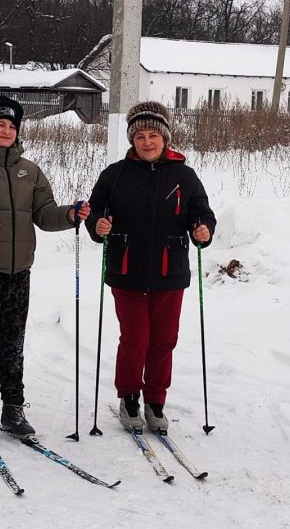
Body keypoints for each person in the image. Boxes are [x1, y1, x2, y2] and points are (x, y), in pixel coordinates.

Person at [0, 95, 90, 439]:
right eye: (0, 124)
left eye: (12, 126)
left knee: (13, 342)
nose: (7, 130)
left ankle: (13, 408)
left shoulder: (30, 170)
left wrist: (69, 214)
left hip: (19, 272)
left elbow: (44, 213)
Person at [84, 101, 216, 433]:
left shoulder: (184, 176)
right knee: (135, 340)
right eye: (140, 136)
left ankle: (155, 400)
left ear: (165, 138)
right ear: (132, 140)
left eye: (153, 135)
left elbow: (201, 212)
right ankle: (129, 396)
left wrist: (203, 228)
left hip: (169, 274)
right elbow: (97, 208)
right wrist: (98, 224)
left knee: (163, 341)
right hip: (126, 271)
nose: (147, 142)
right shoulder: (115, 174)